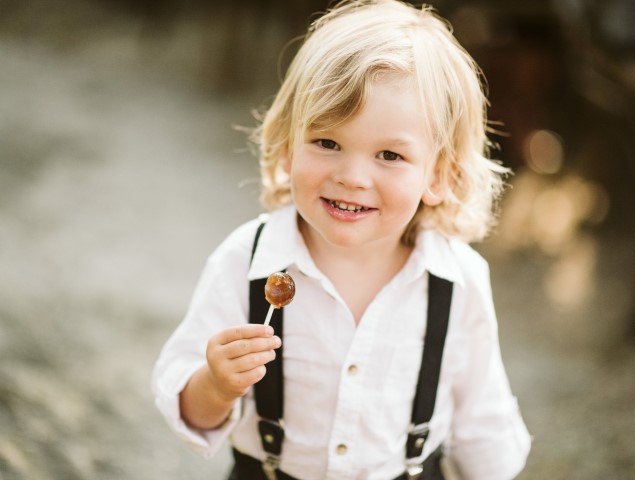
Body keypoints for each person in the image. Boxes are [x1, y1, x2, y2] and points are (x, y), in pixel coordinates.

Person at [152, 0, 532, 478]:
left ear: (438, 176)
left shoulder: (459, 281)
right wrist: (216, 384)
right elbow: (187, 407)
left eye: (390, 155)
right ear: (288, 146)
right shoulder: (246, 262)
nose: (352, 176)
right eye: (327, 143)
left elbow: (484, 423)